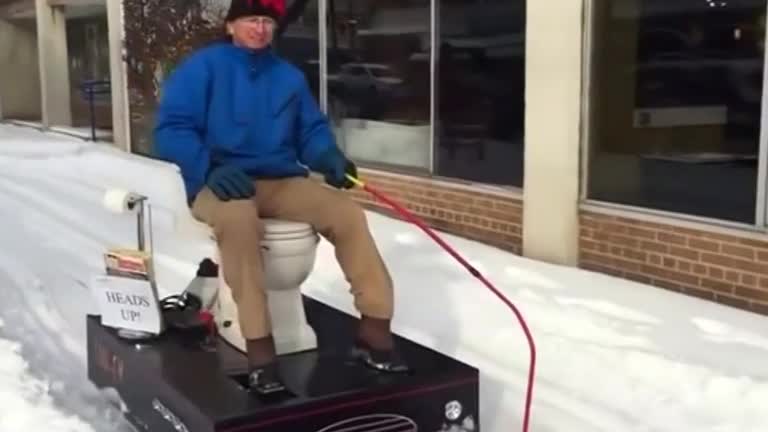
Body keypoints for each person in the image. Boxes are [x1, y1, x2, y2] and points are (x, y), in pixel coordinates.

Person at [153, 0, 408, 395]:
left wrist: (329, 156)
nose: (260, 28)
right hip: (217, 182)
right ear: (231, 26)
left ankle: (374, 331)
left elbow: (309, 131)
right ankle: (259, 349)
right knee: (239, 221)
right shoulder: (203, 68)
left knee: (346, 213)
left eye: (267, 22)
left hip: (279, 180)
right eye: (251, 20)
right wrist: (208, 167)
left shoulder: (287, 77)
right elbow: (171, 129)